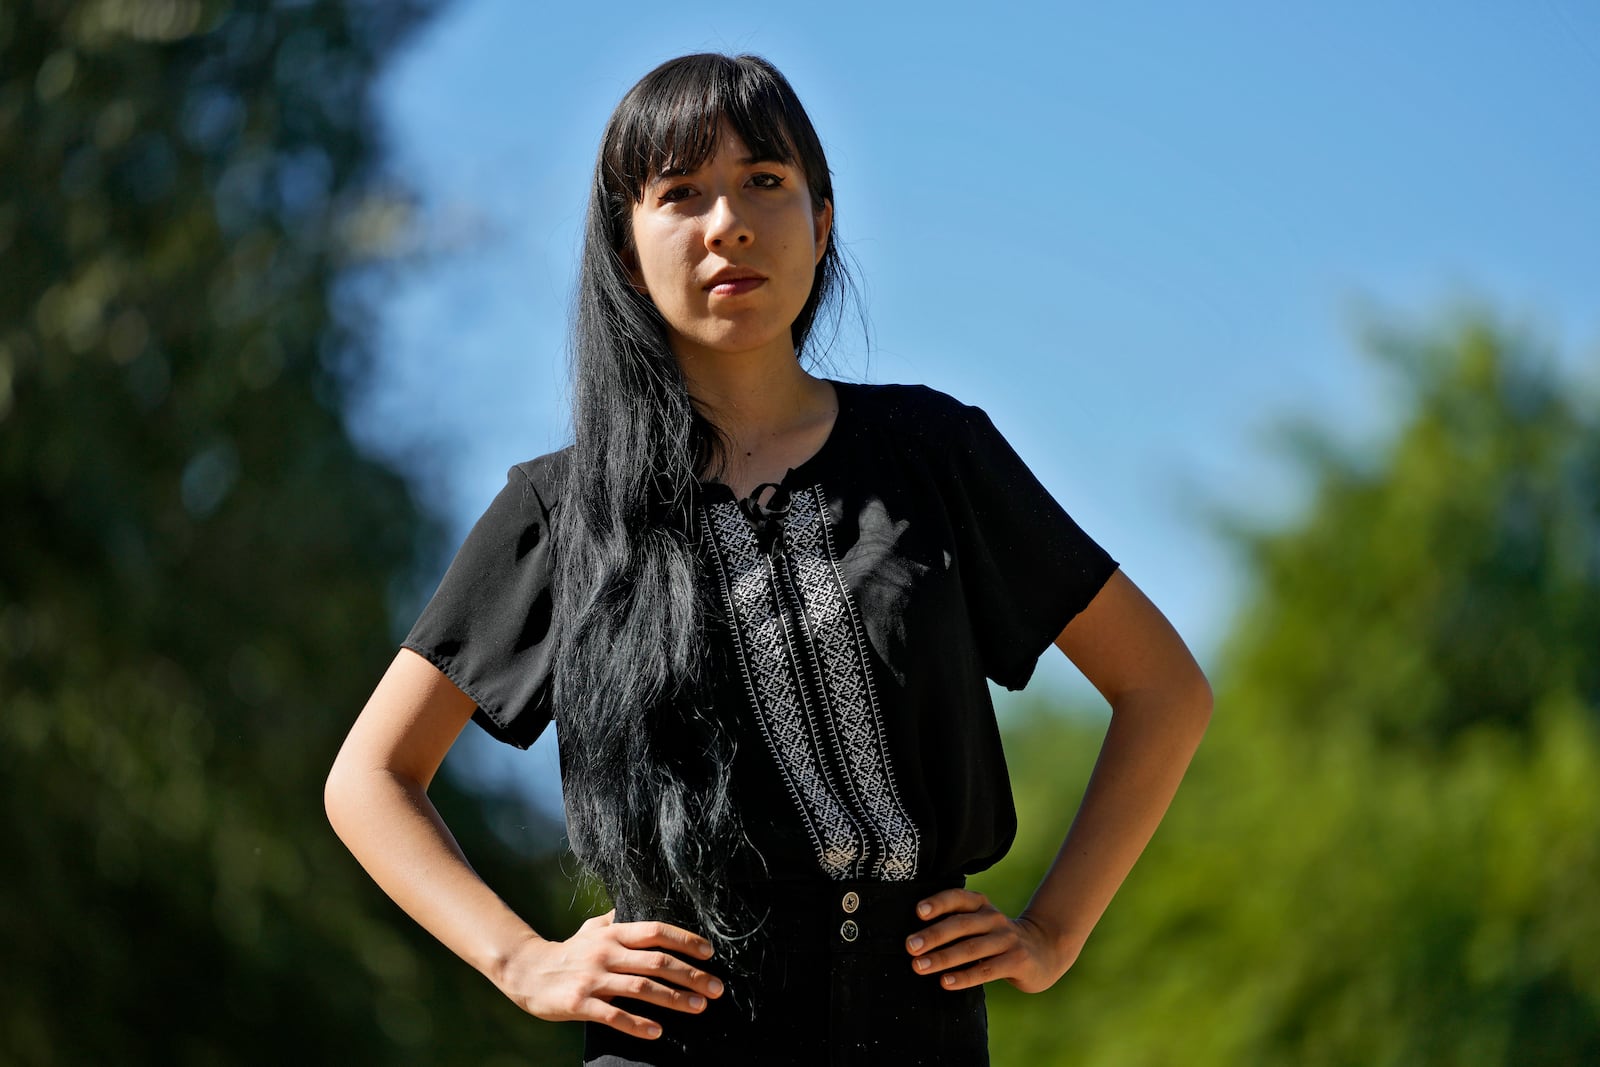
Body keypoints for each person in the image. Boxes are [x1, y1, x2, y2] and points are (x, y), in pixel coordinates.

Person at [324, 52, 1212, 1066]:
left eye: (764, 182)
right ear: (625, 245)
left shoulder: (935, 452)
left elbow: (1163, 688)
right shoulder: (561, 509)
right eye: (680, 194)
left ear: (821, 221)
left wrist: (1053, 931)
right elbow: (371, 775)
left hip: (915, 1032)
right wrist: (522, 959)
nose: (727, 224)